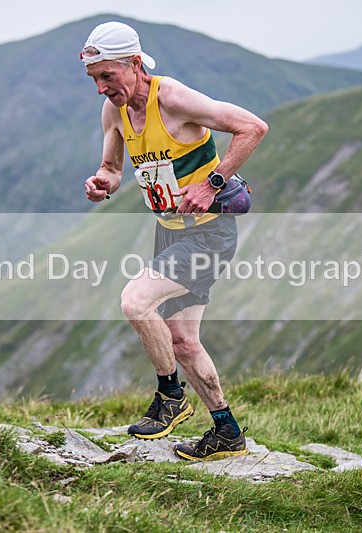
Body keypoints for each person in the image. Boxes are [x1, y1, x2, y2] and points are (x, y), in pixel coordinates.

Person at [81, 21, 268, 461]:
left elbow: (253, 127)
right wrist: (102, 182)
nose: (101, 88)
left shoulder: (174, 99)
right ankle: (226, 432)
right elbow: (112, 167)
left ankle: (170, 397)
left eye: (108, 75)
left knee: (135, 301)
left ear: (133, 64)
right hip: (169, 231)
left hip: (209, 233)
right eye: (94, 79)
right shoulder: (116, 110)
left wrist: (212, 182)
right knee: (183, 342)